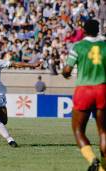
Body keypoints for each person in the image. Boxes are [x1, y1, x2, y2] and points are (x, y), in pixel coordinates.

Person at [62, 19, 106, 171]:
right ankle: (103, 169)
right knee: (103, 132)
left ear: (84, 31)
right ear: (98, 29)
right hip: (102, 88)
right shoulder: (105, 45)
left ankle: (93, 161)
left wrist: (64, 73)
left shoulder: (78, 46)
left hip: (84, 90)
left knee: (78, 129)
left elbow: (67, 70)